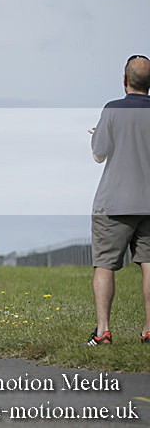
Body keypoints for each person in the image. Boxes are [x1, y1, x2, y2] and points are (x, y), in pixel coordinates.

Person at [87, 54, 150, 346]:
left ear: (124, 81)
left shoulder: (112, 110)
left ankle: (103, 332)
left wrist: (99, 134)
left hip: (114, 203)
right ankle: (149, 331)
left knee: (104, 265)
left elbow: (99, 154)